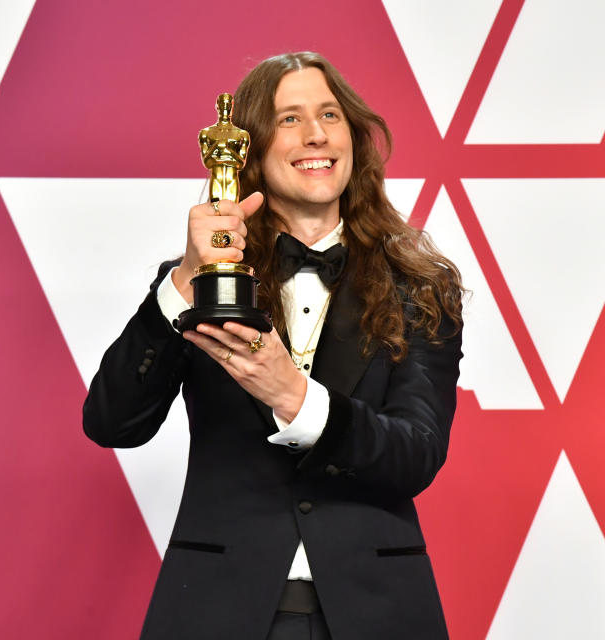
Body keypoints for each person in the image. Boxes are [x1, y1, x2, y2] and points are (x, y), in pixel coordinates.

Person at [83, 51, 463, 640]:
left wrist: (294, 396)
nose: (316, 133)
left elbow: (415, 453)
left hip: (378, 612)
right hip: (217, 609)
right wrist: (186, 275)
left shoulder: (420, 287)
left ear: (354, 140)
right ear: (251, 150)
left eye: (330, 115)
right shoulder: (195, 284)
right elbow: (113, 422)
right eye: (289, 119)